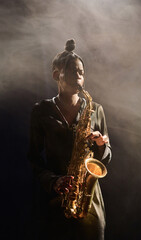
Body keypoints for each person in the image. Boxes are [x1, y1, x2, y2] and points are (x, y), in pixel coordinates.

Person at [28, 39, 112, 240]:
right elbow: (33, 158)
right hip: (56, 201)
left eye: (81, 73)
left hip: (89, 202)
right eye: (73, 71)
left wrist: (102, 146)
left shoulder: (96, 109)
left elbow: (106, 158)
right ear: (57, 75)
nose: (79, 77)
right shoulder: (40, 111)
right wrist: (54, 182)